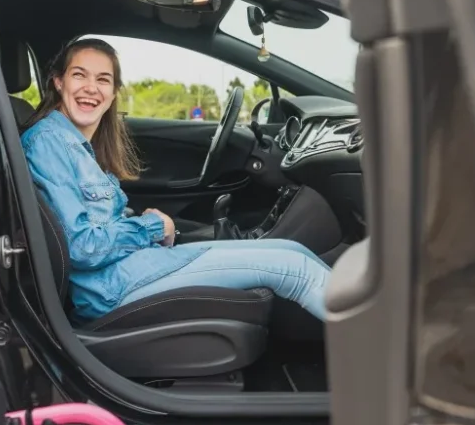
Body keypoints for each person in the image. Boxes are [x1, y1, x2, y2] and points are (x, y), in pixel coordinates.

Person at [20, 37, 333, 325]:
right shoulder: (48, 141)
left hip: (133, 268)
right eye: (79, 75)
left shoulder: (76, 144)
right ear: (58, 82)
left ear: (113, 93)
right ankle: (365, 359)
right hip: (112, 287)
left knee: (292, 250)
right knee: (294, 269)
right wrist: (154, 227)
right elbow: (82, 247)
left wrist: (149, 226)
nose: (91, 87)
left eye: (103, 79)